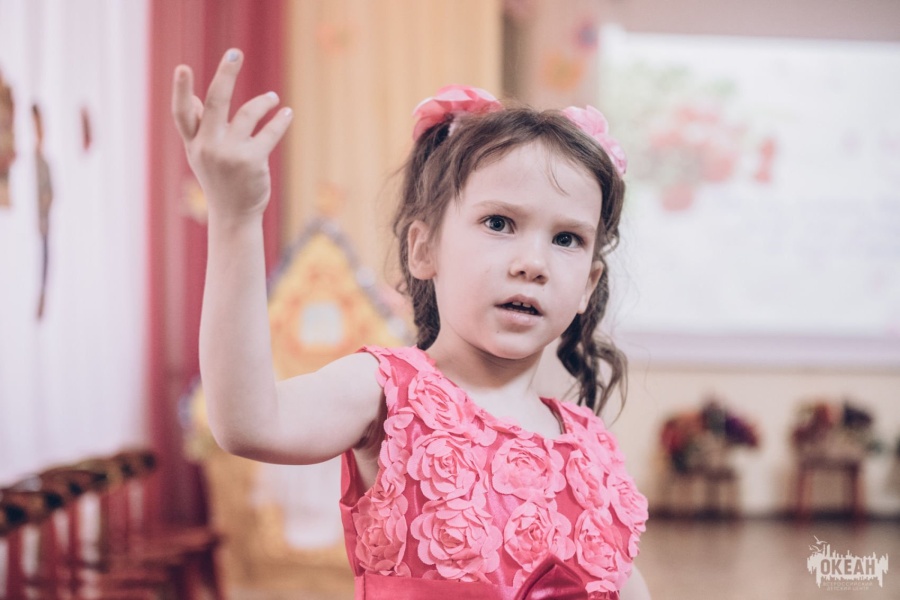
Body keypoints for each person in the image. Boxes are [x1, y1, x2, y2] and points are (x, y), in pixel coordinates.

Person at [172, 49, 651, 600]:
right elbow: (250, 423)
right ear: (424, 250)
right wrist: (235, 217)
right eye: (499, 223)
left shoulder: (590, 445)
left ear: (588, 283)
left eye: (566, 238)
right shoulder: (389, 392)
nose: (533, 262)